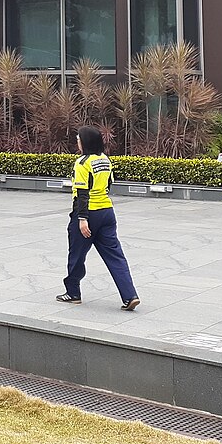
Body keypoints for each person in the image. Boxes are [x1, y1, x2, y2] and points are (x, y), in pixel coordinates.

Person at [56, 127, 141, 311]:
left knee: (77, 255)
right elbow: (109, 184)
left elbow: (82, 193)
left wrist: (82, 219)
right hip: (107, 212)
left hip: (89, 214)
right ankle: (130, 295)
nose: (77, 142)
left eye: (79, 139)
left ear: (85, 142)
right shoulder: (105, 160)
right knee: (116, 256)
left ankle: (73, 293)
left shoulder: (82, 163)